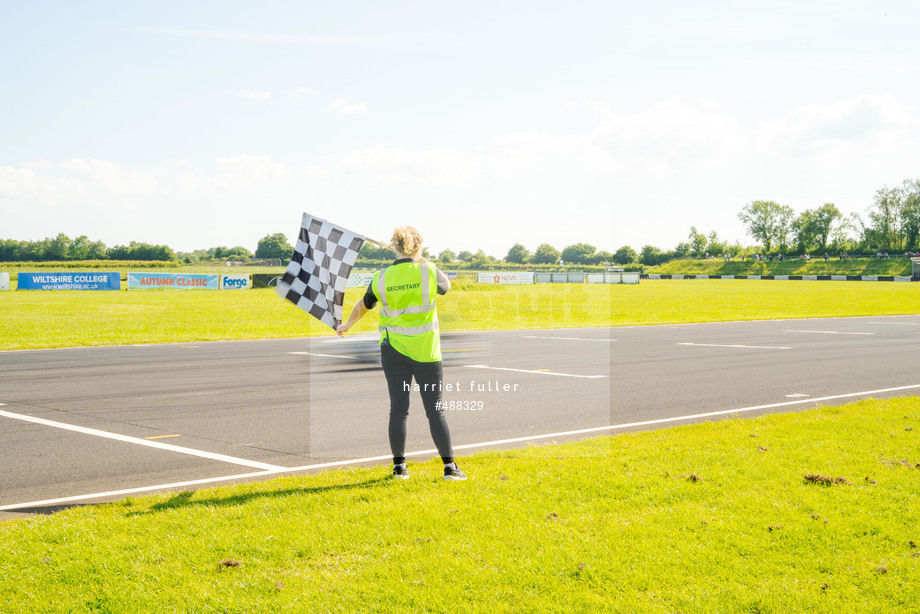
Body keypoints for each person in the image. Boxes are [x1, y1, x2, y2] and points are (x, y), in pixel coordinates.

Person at [336, 226, 467, 481]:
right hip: (425, 352)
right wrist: (422, 258)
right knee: (435, 410)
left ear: (394, 247)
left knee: (398, 408)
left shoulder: (381, 277)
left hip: (393, 351)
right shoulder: (427, 270)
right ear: (418, 247)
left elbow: (364, 304)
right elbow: (446, 286)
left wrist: (348, 324)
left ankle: (399, 467)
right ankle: (449, 467)